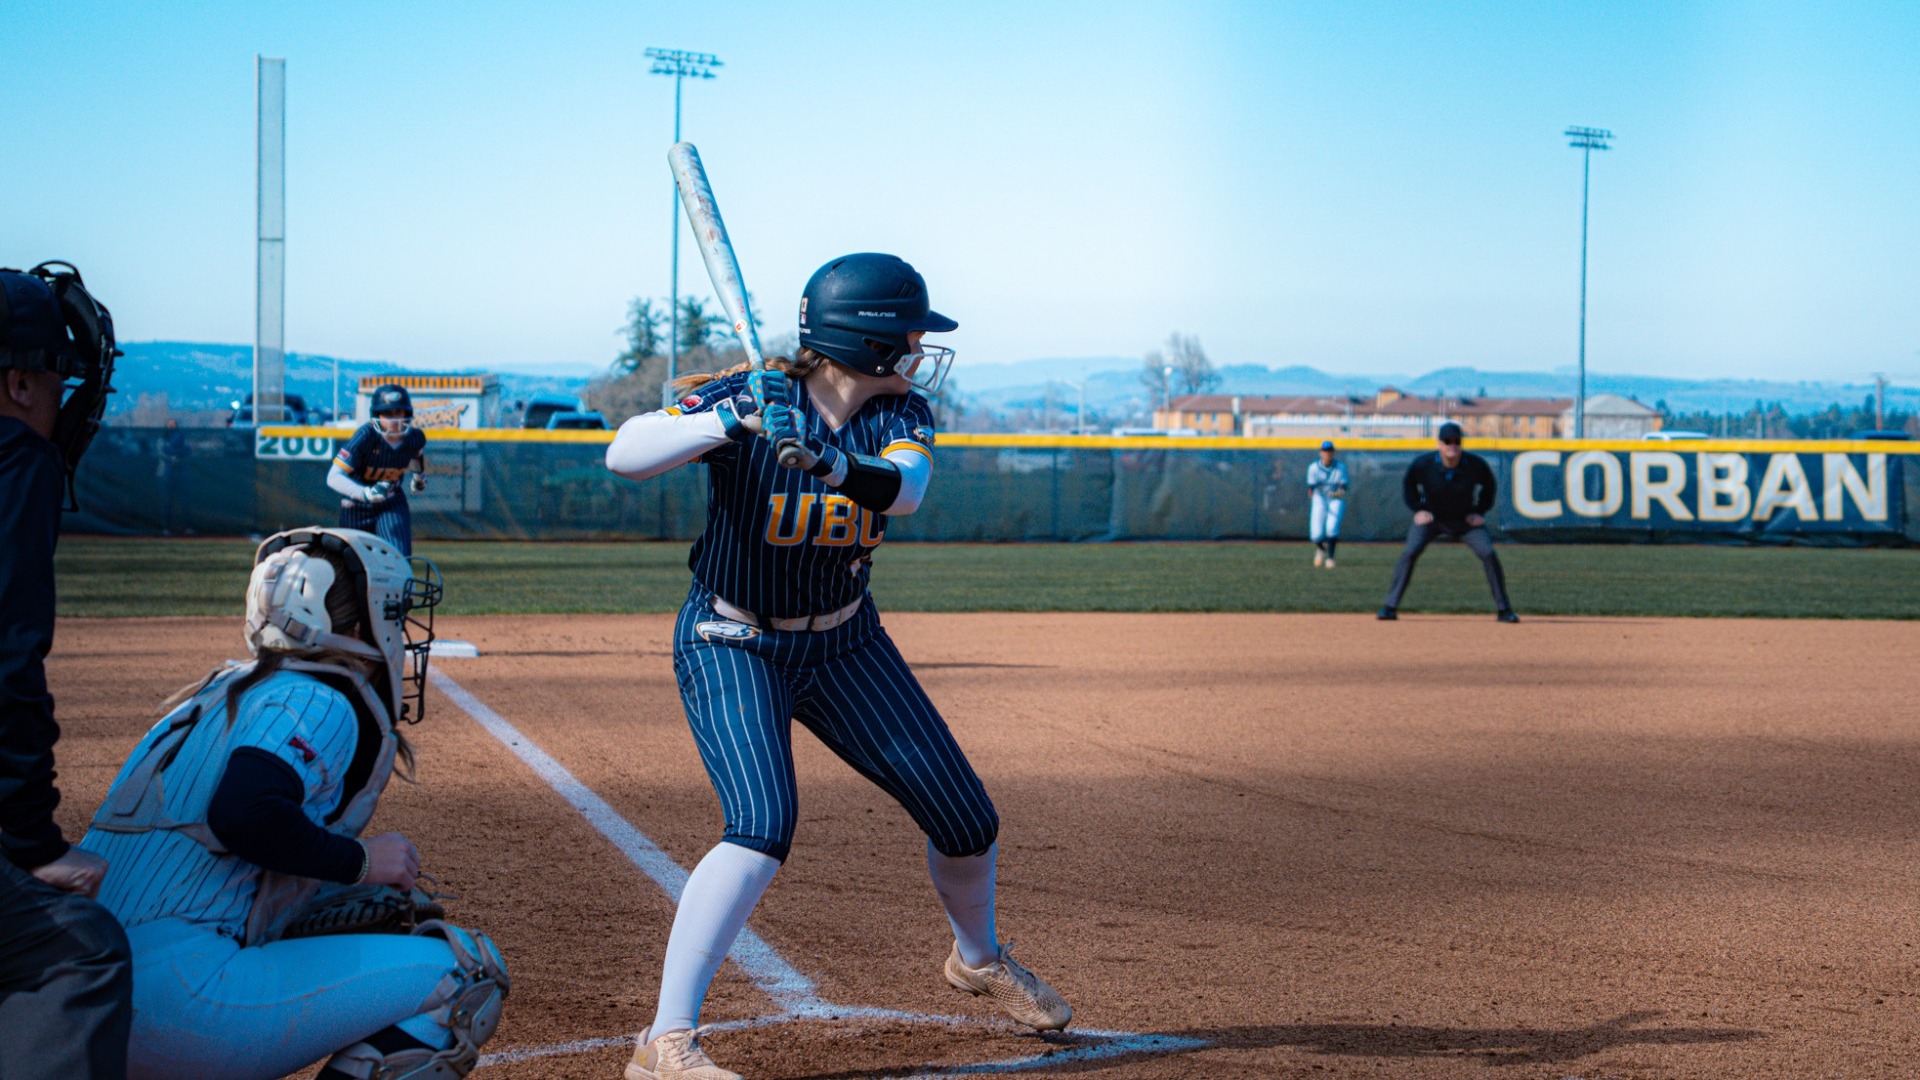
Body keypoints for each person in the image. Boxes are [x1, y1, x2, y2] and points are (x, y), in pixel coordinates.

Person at [605, 253, 1070, 1079]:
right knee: (760, 827)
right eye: (910, 333)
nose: (920, 347)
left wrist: (826, 465)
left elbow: (905, 490)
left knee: (968, 820)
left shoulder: (901, 415)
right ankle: (664, 1042)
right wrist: (734, 424)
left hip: (847, 641)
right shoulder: (743, 394)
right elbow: (627, 453)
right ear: (869, 339)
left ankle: (978, 961)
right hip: (733, 640)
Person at [78, 527, 509, 1080]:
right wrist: (358, 862)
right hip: (170, 996)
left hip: (84, 978)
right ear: (359, 624)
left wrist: (326, 886)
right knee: (469, 974)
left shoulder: (218, 690)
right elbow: (243, 813)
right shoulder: (317, 696)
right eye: (394, 612)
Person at [0, 262, 133, 1079]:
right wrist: (29, 841)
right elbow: (8, 662)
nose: (62, 400)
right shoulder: (16, 457)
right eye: (56, 378)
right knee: (77, 952)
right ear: (18, 381)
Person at [1378, 422, 1518, 622]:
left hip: (1464, 520)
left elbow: (1489, 486)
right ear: (1439, 444)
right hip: (1432, 520)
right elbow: (1408, 485)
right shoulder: (1424, 464)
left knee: (1488, 552)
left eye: (1456, 441)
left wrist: (1479, 511)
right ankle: (1389, 607)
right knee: (1410, 551)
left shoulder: (1474, 464)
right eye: (1447, 441)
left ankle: (1504, 610)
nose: (1452, 445)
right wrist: (1418, 509)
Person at [329, 383, 428, 555]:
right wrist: (365, 494)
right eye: (388, 414)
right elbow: (333, 477)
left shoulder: (414, 437)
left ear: (407, 413)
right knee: (355, 561)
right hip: (356, 505)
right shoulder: (366, 436)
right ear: (377, 415)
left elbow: (416, 455)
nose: (395, 420)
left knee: (398, 556)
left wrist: (418, 477)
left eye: (399, 412)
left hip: (390, 501)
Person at [1306, 439, 1348, 567]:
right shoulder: (1313, 468)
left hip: (1335, 499)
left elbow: (1343, 487)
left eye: (1329, 451)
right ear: (1320, 453)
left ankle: (1330, 558)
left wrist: (1337, 493)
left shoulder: (1340, 467)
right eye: (1325, 451)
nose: (1327, 453)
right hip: (1320, 499)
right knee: (1315, 534)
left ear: (1333, 452)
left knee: (1332, 527)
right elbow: (1311, 488)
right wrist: (1311, 494)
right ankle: (1321, 549)